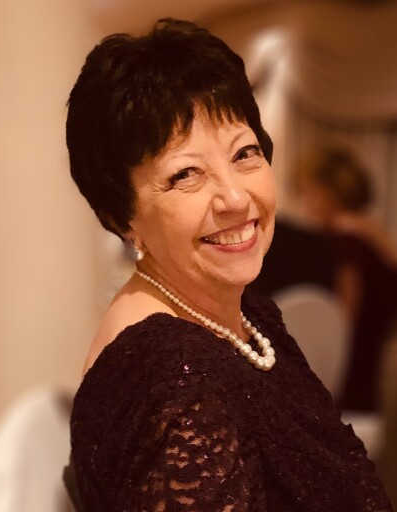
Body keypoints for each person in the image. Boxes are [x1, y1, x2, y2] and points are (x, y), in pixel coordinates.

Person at [63, 19, 392, 511]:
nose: (236, 198)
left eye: (245, 153)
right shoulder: (174, 383)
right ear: (120, 215)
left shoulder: (247, 315)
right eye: (185, 174)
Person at [295, 148, 397, 413]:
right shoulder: (370, 232)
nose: (305, 204)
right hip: (374, 361)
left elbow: (344, 316)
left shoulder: (345, 242)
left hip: (353, 368)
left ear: (332, 192)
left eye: (310, 193)